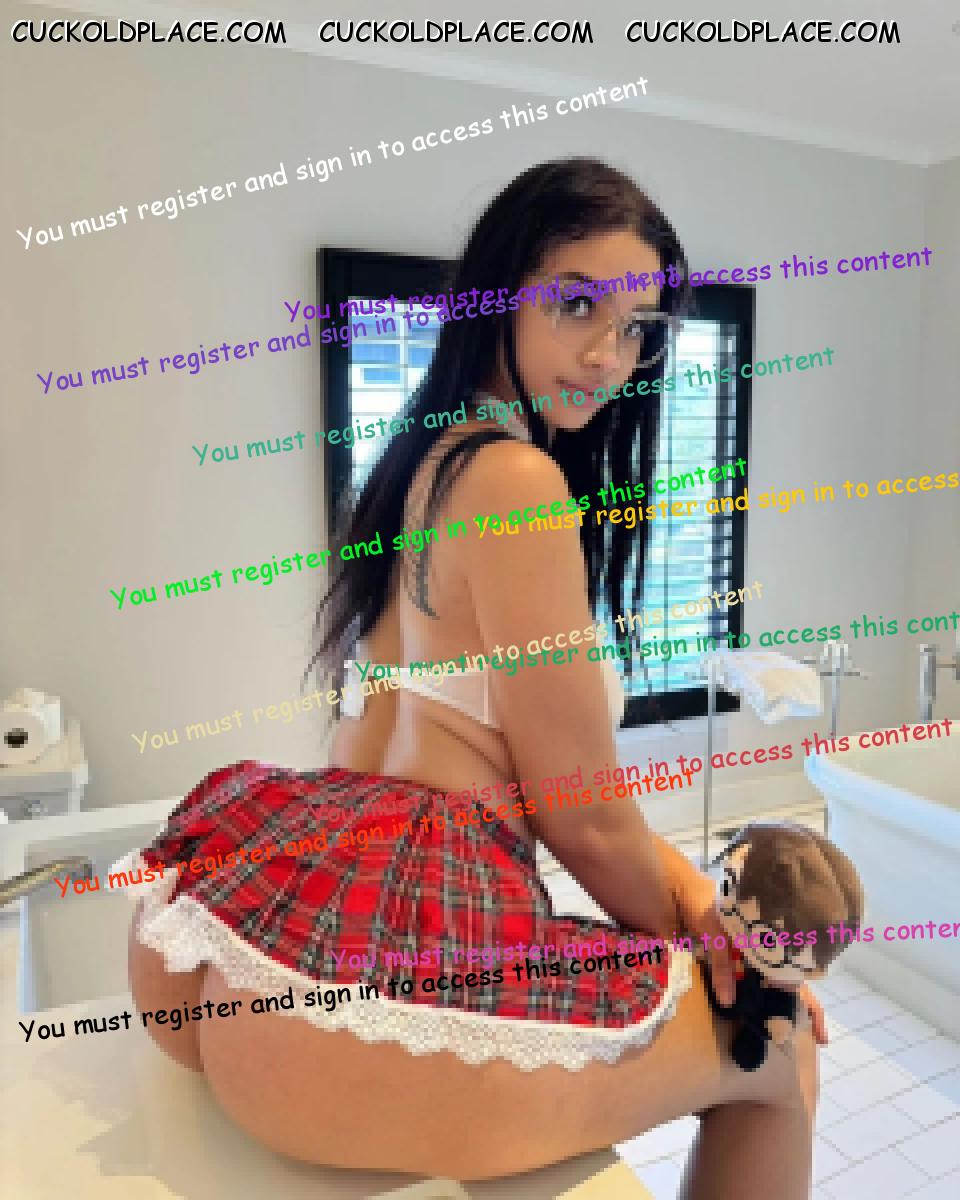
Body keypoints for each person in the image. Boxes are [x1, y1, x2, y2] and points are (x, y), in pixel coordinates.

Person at [127, 159, 825, 1195]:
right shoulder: (519, 480)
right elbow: (583, 820)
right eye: (577, 304)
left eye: (638, 328)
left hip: (228, 930)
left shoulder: (420, 458)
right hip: (349, 1006)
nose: (609, 354)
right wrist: (729, 957)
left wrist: (695, 907)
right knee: (781, 1046)